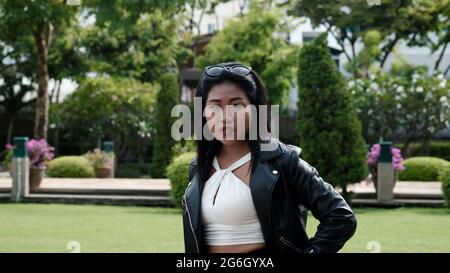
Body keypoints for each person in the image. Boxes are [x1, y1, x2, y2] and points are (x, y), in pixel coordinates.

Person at [182, 62, 357, 253]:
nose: (225, 117)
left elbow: (340, 217)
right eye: (215, 106)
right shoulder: (199, 167)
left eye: (237, 105)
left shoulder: (282, 161)